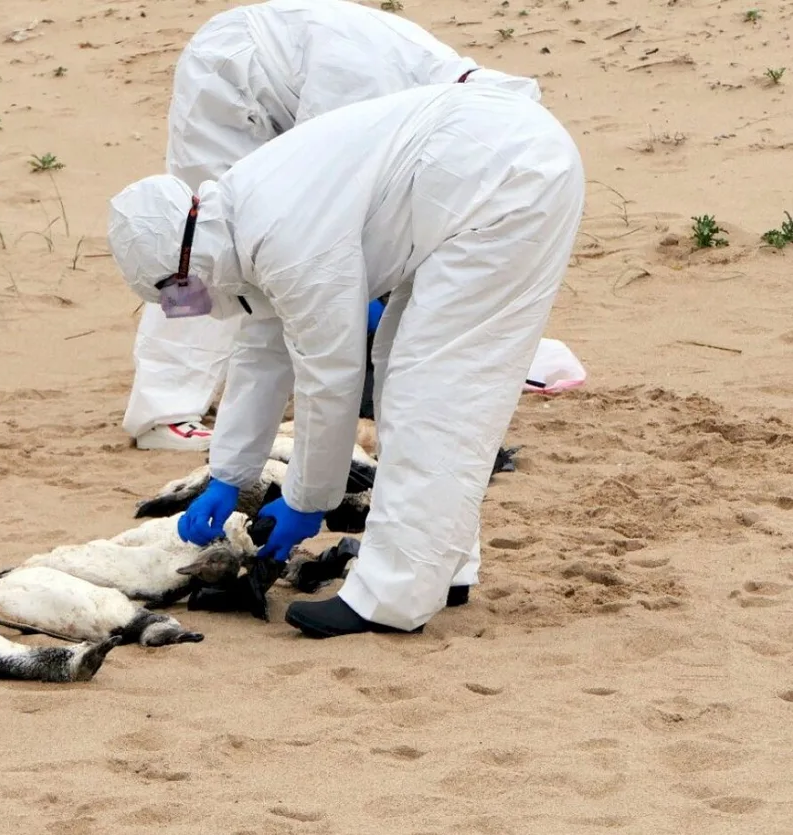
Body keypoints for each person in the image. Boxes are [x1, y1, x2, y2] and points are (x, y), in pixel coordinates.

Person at [106, 81, 585, 638]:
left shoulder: (282, 235)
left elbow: (328, 378)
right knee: (406, 375)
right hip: (481, 172)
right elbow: (263, 351)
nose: (186, 308)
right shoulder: (237, 223)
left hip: (504, 179)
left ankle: (392, 598)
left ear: (185, 256)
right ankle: (444, 567)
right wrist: (228, 476)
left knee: (432, 392)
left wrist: (308, 501)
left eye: (177, 294)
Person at [125, 0, 544, 452]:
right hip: (228, 76)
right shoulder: (381, 82)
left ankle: (241, 397)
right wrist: (352, 299)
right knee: (200, 245)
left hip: (277, 78)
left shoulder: (435, 96)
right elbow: (327, 204)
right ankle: (162, 411)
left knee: (267, 262)